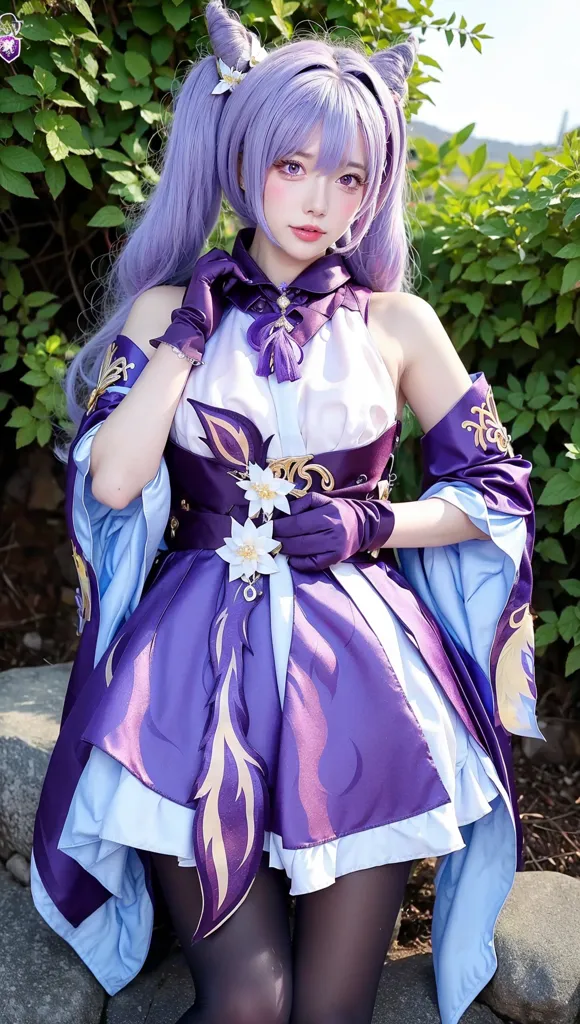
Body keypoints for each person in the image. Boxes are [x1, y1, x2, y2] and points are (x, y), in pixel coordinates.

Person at [31, 3, 544, 1022]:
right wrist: (182, 335)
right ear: (243, 158)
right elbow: (114, 483)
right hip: (189, 671)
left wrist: (377, 524)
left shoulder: (401, 323)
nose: (320, 200)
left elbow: (496, 486)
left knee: (332, 1007)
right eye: (294, 166)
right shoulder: (165, 310)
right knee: (249, 1003)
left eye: (350, 176)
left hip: (359, 673)